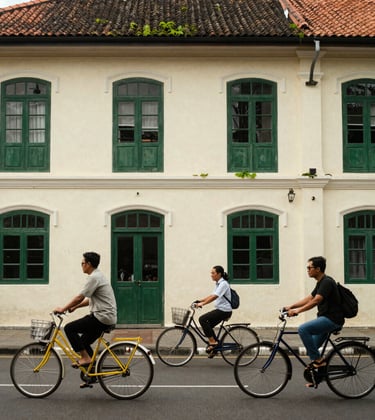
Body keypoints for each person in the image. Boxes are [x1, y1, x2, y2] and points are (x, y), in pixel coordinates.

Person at [284, 256, 344, 384]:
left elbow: (316, 300)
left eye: (309, 268)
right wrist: (291, 306)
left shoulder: (327, 282)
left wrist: (298, 312)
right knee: (313, 348)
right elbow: (309, 298)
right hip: (325, 318)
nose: (308, 270)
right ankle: (318, 376)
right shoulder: (320, 282)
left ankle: (320, 362)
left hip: (332, 319)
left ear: (318, 269)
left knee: (303, 329)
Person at [54, 252, 117, 367]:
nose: (81, 265)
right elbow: (90, 300)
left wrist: (63, 308)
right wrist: (75, 307)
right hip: (105, 317)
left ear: (88, 264)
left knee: (69, 328)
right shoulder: (98, 276)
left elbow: (80, 297)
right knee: (83, 342)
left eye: (82, 263)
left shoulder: (94, 277)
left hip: (101, 317)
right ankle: (92, 374)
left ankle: (85, 358)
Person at [195, 265, 232, 357]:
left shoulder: (223, 284)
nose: (211, 275)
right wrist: (201, 300)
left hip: (224, 311)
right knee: (208, 326)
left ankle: (212, 343)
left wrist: (203, 304)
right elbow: (212, 295)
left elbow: (215, 296)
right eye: (211, 273)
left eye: (213, 273)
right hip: (221, 310)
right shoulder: (218, 284)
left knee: (202, 319)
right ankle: (215, 348)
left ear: (219, 274)